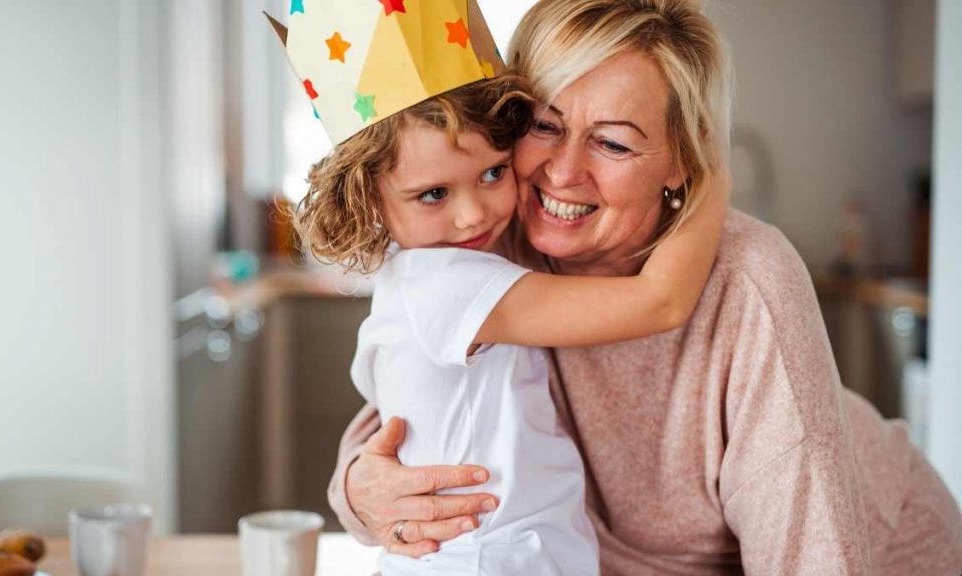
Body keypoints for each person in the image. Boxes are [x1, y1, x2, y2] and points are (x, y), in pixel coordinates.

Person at [328, 1, 962, 574]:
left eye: (611, 143)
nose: (563, 172)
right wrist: (362, 490)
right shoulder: (491, 237)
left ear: (683, 161)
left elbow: (811, 557)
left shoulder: (747, 283)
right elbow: (407, 413)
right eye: (545, 127)